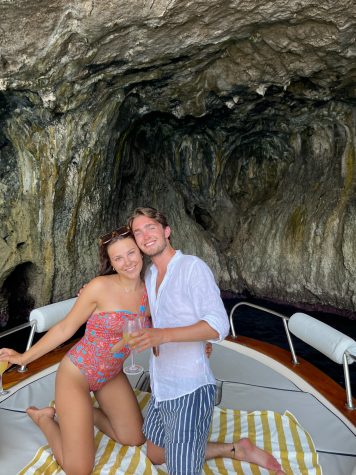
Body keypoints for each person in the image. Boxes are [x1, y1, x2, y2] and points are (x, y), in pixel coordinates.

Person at [116, 206, 285, 475]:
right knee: (156, 455)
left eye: (151, 227)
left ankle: (207, 451)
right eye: (138, 232)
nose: (145, 235)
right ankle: (234, 449)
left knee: (181, 469)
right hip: (162, 387)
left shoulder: (192, 268)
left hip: (189, 390)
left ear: (167, 231)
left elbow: (219, 324)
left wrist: (163, 335)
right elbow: (152, 310)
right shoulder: (149, 276)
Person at [0, 226, 149, 475]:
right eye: (118, 258)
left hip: (111, 374)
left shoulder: (150, 289)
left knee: (134, 438)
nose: (127, 262)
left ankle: (79, 412)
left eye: (131, 253)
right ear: (111, 263)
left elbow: (166, 319)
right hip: (77, 375)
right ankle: (45, 418)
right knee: (78, 469)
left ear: (141, 252)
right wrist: (23, 357)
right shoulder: (99, 287)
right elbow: (65, 328)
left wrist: (202, 342)